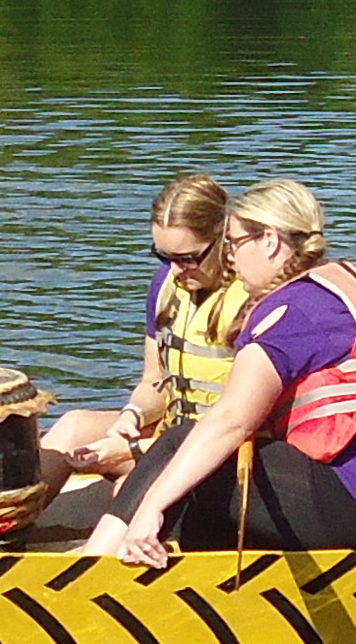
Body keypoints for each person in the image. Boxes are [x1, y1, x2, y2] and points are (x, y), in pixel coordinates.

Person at [84, 179, 356, 561]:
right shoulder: (345, 285)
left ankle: (89, 566)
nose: (229, 258)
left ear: (271, 242)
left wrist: (151, 506)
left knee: (182, 445)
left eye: (233, 244)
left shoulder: (296, 310)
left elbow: (232, 419)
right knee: (201, 479)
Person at [49, 174, 241, 479]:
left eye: (188, 258)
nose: (175, 270)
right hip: (171, 432)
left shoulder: (249, 299)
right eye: (164, 256)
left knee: (126, 485)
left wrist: (133, 451)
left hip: (223, 449)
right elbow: (154, 381)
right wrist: (133, 414)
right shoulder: (165, 286)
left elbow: (239, 421)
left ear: (222, 239)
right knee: (73, 428)